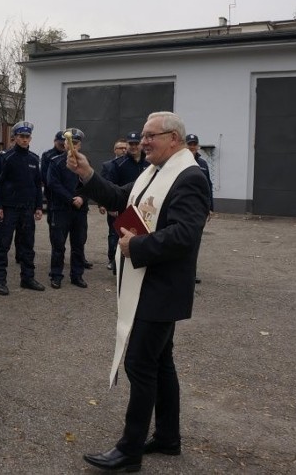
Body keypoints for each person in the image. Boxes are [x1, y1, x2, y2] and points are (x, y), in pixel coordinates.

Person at [67, 111, 209, 472]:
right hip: (148, 283)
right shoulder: (153, 172)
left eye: (150, 136)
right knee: (161, 363)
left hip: (161, 287)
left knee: (140, 364)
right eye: (143, 136)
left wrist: (138, 247)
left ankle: (130, 451)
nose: (142, 142)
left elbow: (186, 234)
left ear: (173, 138)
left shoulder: (189, 176)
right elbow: (118, 198)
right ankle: (167, 437)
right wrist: (85, 172)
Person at [0, 121, 44, 295]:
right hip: (8, 209)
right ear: (15, 137)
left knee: (28, 246)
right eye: (21, 136)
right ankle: (0, 281)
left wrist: (38, 206)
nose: (24, 140)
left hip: (27, 209)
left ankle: (27, 278)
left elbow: (37, 185)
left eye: (27, 137)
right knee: (3, 246)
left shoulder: (34, 159)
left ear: (30, 138)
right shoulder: (5, 157)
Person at [46, 128, 89, 289]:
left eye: (76, 143)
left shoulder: (85, 162)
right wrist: (71, 199)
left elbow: (90, 183)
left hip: (80, 211)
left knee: (78, 245)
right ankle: (56, 275)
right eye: (70, 142)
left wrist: (82, 198)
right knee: (58, 245)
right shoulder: (55, 162)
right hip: (61, 209)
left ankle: (77, 276)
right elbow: (53, 184)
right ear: (64, 143)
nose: (72, 145)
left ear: (79, 145)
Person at [102, 132, 150, 273]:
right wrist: (111, 206)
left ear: (141, 144)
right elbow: (112, 186)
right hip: (123, 209)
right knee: (119, 238)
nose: (134, 146)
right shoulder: (118, 164)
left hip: (143, 207)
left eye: (136, 143)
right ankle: (117, 266)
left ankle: (138, 266)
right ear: (127, 146)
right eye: (131, 144)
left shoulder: (149, 163)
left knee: (141, 237)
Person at [185, 134, 214, 284]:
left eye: (194, 144)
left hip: (199, 209)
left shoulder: (202, 163)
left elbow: (208, 186)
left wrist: (210, 207)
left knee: (195, 241)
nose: (191, 147)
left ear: (198, 146)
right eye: (189, 144)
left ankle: (191, 273)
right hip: (184, 207)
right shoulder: (181, 162)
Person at [99, 139, 129, 272]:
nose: (123, 150)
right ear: (114, 150)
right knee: (113, 233)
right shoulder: (108, 165)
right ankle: (112, 259)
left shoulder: (131, 165)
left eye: (125, 147)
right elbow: (103, 186)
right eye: (120, 148)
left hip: (129, 206)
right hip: (114, 206)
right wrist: (105, 205)